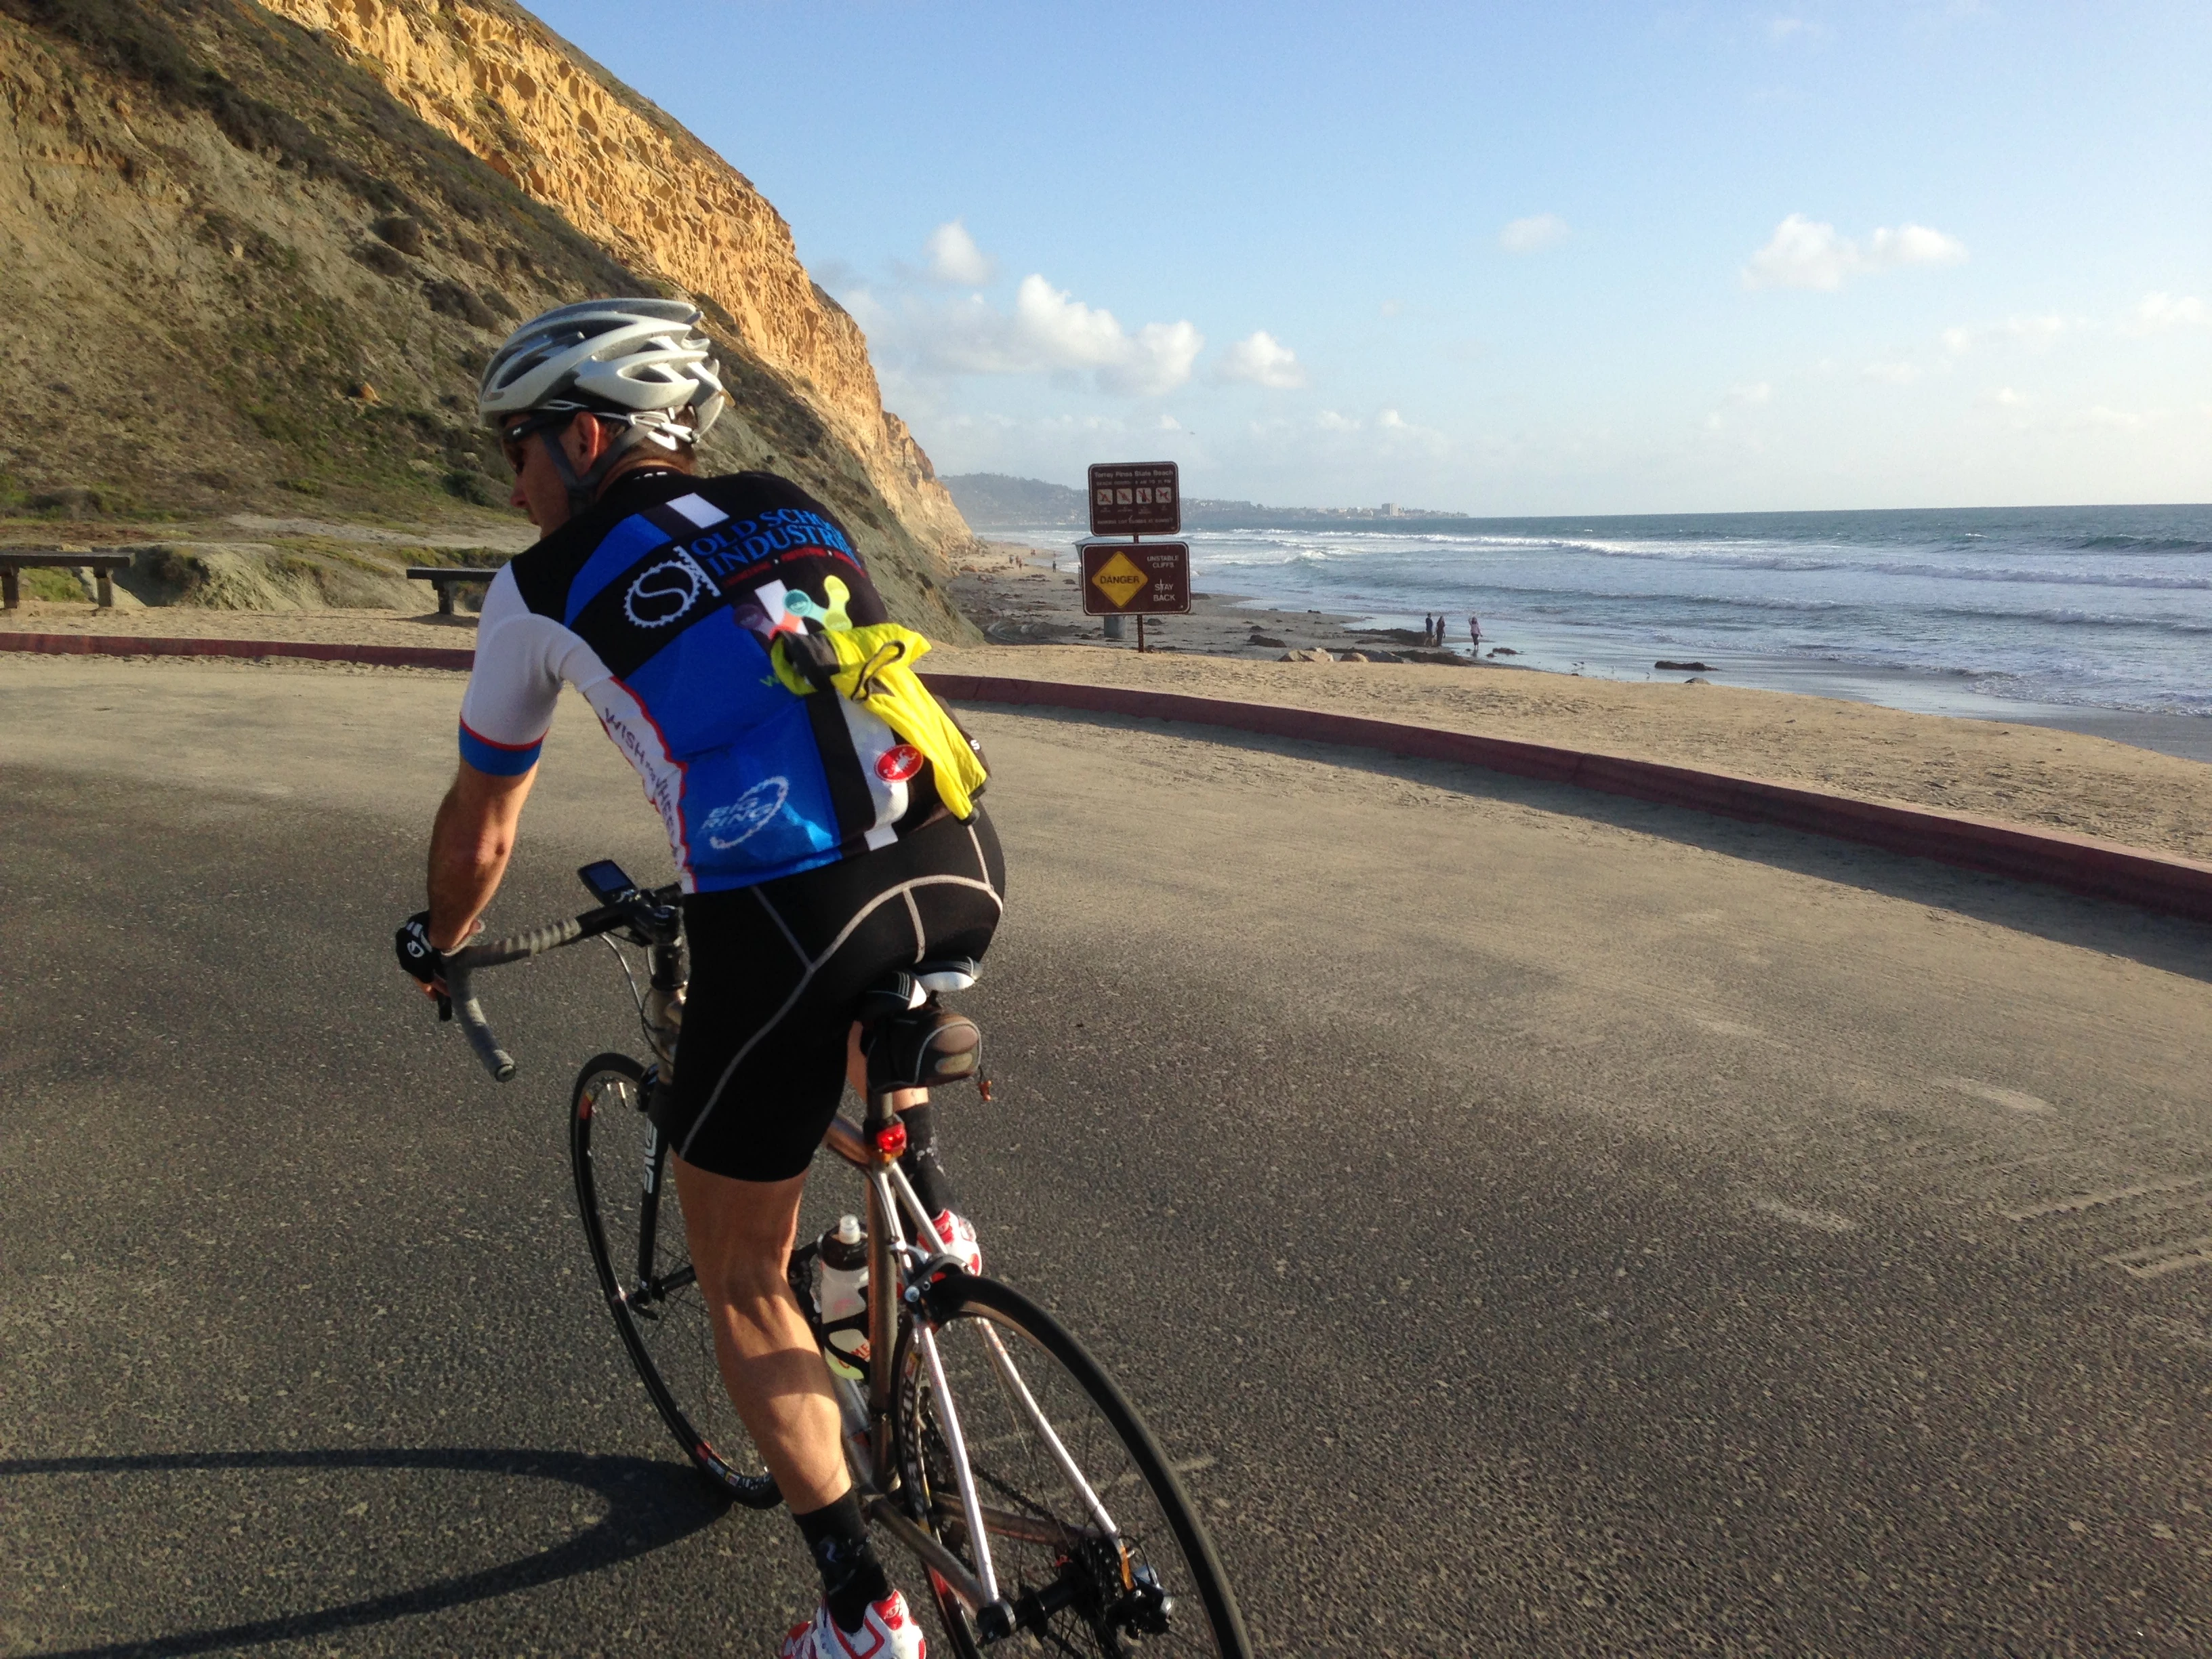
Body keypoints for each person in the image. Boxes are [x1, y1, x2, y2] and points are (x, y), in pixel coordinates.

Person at [392, 298, 1002, 1659]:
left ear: (587, 434)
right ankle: (922, 1225)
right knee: (853, 1019)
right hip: (961, 850)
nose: (513, 479)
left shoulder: (537, 589)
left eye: (519, 448)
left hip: (786, 910)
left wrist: (443, 942)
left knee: (743, 1278)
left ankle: (863, 1616)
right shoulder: (788, 497)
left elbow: (484, 819)